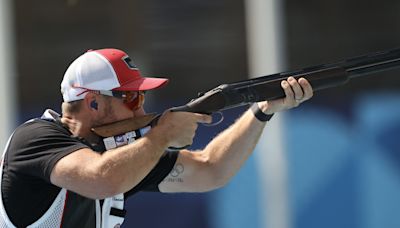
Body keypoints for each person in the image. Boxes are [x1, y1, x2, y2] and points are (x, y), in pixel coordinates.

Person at [0, 48, 313, 227]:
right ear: (94, 102)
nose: (142, 109)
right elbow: (102, 180)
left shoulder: (117, 155)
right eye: (133, 99)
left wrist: (261, 111)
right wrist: (162, 135)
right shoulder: (36, 138)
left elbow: (211, 168)